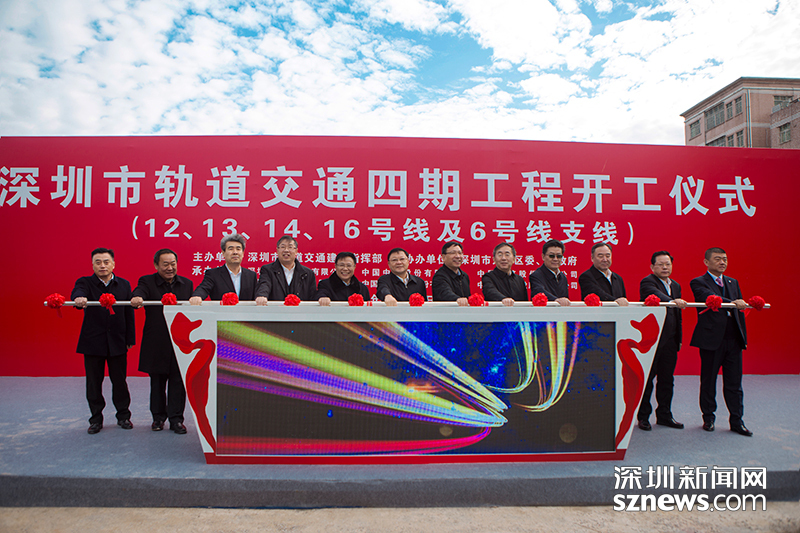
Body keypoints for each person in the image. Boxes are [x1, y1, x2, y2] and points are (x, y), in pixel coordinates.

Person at [71, 248, 135, 434]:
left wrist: (129, 338)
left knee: (120, 381)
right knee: (93, 383)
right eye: (98, 262)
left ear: (113, 264)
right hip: (93, 342)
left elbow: (128, 313)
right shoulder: (85, 282)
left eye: (106, 262)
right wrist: (79, 298)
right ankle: (96, 419)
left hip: (117, 341)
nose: (102, 266)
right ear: (92, 265)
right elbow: (77, 291)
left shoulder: (124, 284)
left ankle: (123, 416)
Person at [689, 247, 751, 436]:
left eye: (724, 259)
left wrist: (742, 337)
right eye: (717, 259)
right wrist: (733, 302)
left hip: (733, 340)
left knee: (735, 383)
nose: (722, 262)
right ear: (706, 262)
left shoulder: (733, 282)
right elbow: (710, 298)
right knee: (709, 381)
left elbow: (738, 313)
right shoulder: (698, 282)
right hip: (711, 340)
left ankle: (737, 421)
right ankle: (708, 418)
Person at [131, 249, 193, 434]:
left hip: (180, 341)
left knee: (178, 383)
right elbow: (139, 292)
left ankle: (176, 420)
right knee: (157, 383)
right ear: (156, 265)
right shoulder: (147, 281)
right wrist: (137, 298)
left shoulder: (187, 284)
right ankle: (158, 418)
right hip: (156, 341)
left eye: (173, 264)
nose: (170, 268)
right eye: (165, 264)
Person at [637, 251, 687, 431]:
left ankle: (665, 415)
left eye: (668, 264)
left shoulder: (676, 285)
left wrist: (679, 338)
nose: (665, 267)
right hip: (652, 340)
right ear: (652, 267)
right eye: (661, 264)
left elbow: (678, 316)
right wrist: (673, 301)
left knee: (667, 380)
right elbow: (656, 295)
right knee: (648, 380)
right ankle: (643, 417)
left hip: (670, 340)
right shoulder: (647, 282)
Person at [190, 234, 257, 304]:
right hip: (221, 311)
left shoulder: (251, 276)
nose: (235, 252)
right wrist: (197, 296)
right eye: (231, 249)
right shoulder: (213, 274)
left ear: (243, 253)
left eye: (238, 249)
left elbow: (256, 296)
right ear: (223, 253)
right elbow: (203, 288)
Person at [256, 235, 316, 303]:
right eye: (283, 247)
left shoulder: (307, 274)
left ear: (296, 251)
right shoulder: (267, 270)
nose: (286, 250)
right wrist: (262, 296)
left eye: (290, 247)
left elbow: (313, 297)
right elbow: (264, 285)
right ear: (277, 250)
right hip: (275, 309)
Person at [529, 239, 571, 306]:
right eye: (551, 256)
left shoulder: (563, 277)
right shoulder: (536, 275)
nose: (555, 259)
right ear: (543, 256)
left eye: (559, 256)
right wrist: (556, 300)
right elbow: (539, 291)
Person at [431, 241, 470, 306]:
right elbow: (445, 294)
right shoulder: (439, 276)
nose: (458, 256)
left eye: (460, 253)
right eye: (453, 253)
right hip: (447, 311)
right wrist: (458, 299)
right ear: (443, 257)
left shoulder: (464, 276)